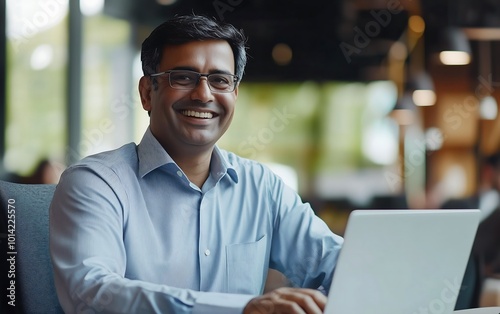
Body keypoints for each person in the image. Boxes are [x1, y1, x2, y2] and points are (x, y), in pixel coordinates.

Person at [49, 14, 343, 314]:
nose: (203, 95)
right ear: (147, 92)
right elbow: (92, 292)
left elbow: (338, 264)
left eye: (219, 80)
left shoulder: (261, 187)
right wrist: (244, 309)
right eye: (183, 77)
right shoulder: (96, 183)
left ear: (234, 94)